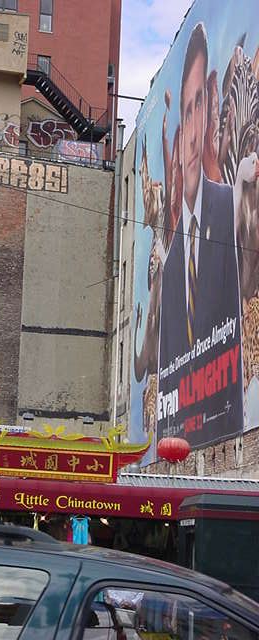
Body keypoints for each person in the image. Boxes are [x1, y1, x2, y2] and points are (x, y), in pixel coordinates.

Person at [157, 22, 243, 446]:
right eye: (185, 112)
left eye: (199, 107)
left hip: (229, 427)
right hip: (182, 438)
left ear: (210, 110)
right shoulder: (171, 264)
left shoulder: (229, 208)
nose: (191, 135)